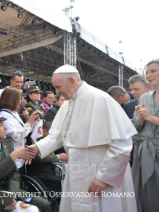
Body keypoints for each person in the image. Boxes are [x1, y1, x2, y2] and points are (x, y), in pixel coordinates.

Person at [27, 65, 137, 212]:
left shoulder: (101, 99)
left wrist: (104, 177)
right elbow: (57, 135)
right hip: (77, 171)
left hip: (100, 173)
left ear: (72, 81)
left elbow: (122, 144)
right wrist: (37, 148)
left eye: (58, 87)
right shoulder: (67, 104)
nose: (57, 92)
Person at [0, 108, 51, 212]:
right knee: (30, 210)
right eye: (1, 125)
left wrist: (11, 194)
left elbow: (14, 174)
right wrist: (13, 157)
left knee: (43, 204)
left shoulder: (6, 144)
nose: (5, 128)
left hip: (9, 190)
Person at [132, 59, 159, 212]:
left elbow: (150, 118)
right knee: (141, 193)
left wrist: (150, 117)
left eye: (153, 71)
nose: (148, 75)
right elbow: (137, 125)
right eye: (147, 72)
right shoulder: (144, 98)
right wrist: (140, 120)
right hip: (143, 151)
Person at [0, 87, 39, 168]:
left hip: (19, 160)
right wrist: (29, 123)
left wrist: (32, 122)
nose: (20, 101)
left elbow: (23, 131)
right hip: (12, 160)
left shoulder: (14, 113)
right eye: (19, 98)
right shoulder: (4, 115)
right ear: (11, 99)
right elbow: (16, 137)